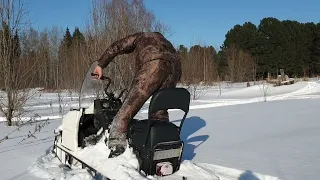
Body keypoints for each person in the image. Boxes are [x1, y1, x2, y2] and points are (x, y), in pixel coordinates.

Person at [92, 32, 182, 158]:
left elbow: (118, 46)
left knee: (125, 113)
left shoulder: (141, 36)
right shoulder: (164, 41)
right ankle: (160, 148)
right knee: (159, 112)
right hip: (175, 68)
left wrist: (101, 64)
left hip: (154, 64)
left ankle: (117, 153)